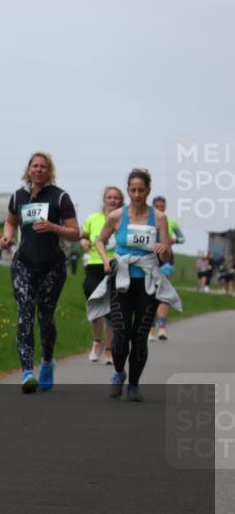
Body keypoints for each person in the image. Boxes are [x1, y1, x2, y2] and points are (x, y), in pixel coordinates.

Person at [90, 169, 181, 401]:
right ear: (128, 191)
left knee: (139, 337)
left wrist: (165, 250)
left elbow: (167, 256)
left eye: (142, 190)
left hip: (148, 284)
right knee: (120, 336)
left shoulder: (159, 218)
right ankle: (119, 373)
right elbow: (99, 240)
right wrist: (105, 259)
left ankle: (134, 385)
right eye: (133, 190)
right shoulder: (117, 216)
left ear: (148, 191)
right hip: (121, 282)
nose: (137, 194)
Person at [0, 152, 79, 393]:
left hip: (52, 266)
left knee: (45, 318)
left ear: (49, 170)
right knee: (24, 313)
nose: (38, 169)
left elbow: (76, 232)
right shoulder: (19, 196)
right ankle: (27, 372)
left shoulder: (60, 197)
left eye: (43, 166)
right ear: (28, 169)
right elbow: (11, 221)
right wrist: (7, 236)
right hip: (24, 263)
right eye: (35, 166)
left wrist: (53, 227)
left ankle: (47, 361)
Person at [80, 186, 125, 365]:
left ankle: (109, 349)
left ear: (121, 201)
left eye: (116, 198)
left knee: (112, 313)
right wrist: (84, 241)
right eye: (109, 197)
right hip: (94, 266)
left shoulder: (125, 220)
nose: (113, 200)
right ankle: (97, 342)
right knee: (95, 309)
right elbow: (82, 236)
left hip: (116, 267)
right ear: (104, 200)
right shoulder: (93, 218)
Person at [149, 196, 185, 341]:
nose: (159, 208)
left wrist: (174, 240)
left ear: (165, 207)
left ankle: (162, 328)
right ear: (153, 206)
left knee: (163, 292)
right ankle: (151, 328)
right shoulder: (147, 220)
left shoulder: (171, 222)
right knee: (150, 293)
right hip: (149, 259)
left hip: (166, 259)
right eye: (157, 206)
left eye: (162, 206)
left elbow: (183, 238)